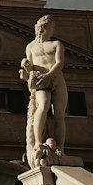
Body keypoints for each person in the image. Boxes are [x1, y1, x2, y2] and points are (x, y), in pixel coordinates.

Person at [19, 15, 67, 166]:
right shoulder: (31, 47)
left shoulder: (56, 44)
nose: (52, 30)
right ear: (44, 28)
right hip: (40, 81)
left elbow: (59, 63)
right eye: (51, 27)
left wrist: (49, 75)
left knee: (59, 114)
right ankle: (38, 143)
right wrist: (26, 69)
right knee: (43, 105)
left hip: (57, 80)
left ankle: (60, 148)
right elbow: (30, 67)